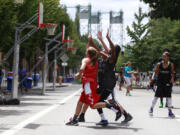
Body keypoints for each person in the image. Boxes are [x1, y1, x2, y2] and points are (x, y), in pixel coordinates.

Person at [149, 52, 175, 118]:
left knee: (169, 97)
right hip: (160, 82)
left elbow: (172, 73)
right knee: (156, 96)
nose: (163, 58)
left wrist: (172, 78)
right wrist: (152, 79)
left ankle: (170, 111)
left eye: (165, 56)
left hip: (167, 82)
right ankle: (151, 108)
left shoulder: (171, 65)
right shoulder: (159, 64)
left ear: (168, 57)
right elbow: (155, 72)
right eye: (163, 56)